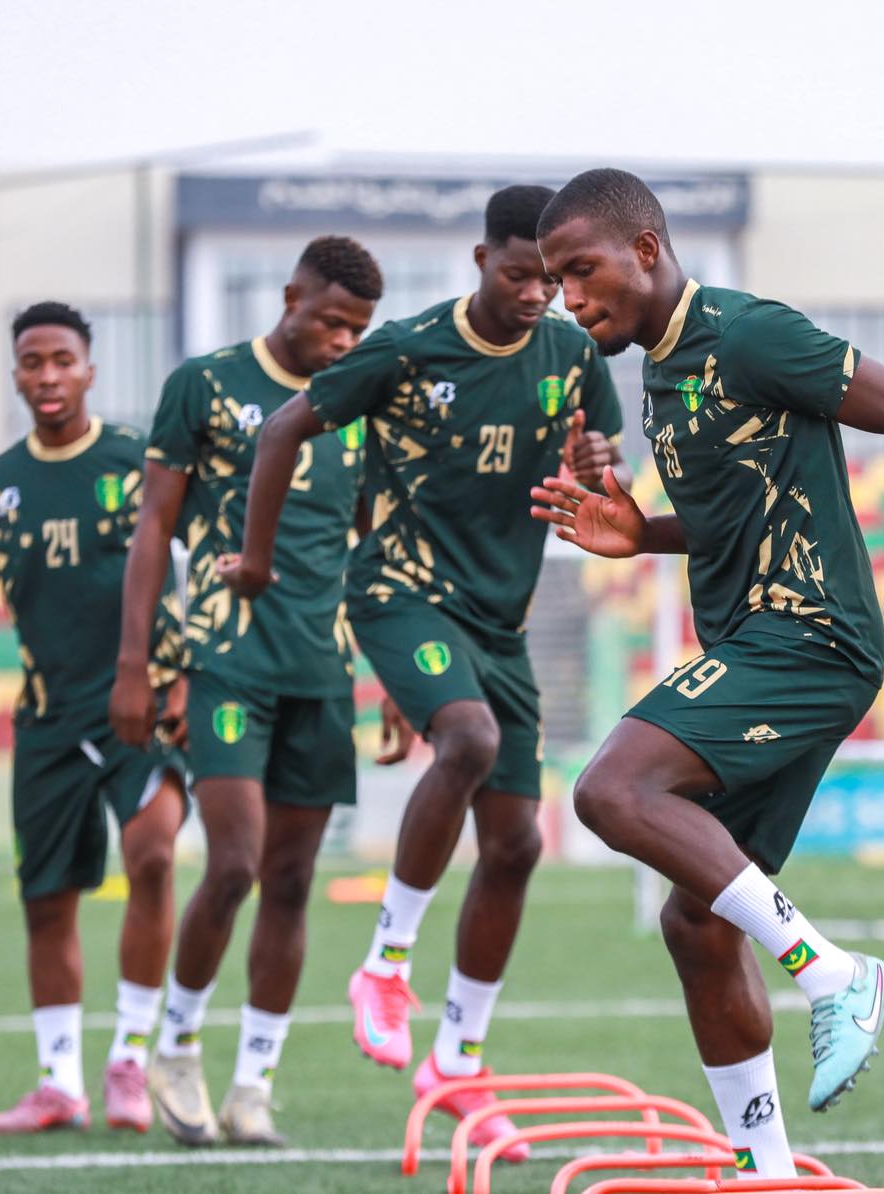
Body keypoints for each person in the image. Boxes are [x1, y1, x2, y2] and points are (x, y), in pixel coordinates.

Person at [531, 168, 884, 1177]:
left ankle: (836, 974)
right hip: (759, 646)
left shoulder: (746, 332)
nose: (571, 298)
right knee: (695, 920)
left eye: (583, 271)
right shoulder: (662, 371)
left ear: (646, 249)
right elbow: (728, 514)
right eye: (557, 281)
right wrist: (640, 532)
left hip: (808, 636)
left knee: (612, 789)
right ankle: (767, 1169)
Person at [219, 185, 629, 1159]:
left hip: (500, 620)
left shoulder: (573, 352)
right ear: (481, 264)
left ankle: (457, 1059)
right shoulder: (406, 349)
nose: (540, 295)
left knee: (519, 844)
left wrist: (603, 460)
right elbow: (283, 431)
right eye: (523, 275)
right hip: (401, 591)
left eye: (555, 278)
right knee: (471, 740)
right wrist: (261, 558)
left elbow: (605, 474)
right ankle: (387, 964)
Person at [109, 236, 389, 1148]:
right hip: (226, 659)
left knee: (294, 880)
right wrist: (135, 665)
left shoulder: (359, 407)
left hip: (322, 665)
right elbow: (155, 526)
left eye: (359, 329)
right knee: (232, 862)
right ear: (289, 298)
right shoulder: (205, 383)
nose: (343, 342)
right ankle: (178, 1047)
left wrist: (383, 670)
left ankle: (254, 1083)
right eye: (330, 321)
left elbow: (371, 544)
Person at [0, 301, 189, 1135]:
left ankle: (131, 1062)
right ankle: (58, 1083)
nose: (46, 376)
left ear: (89, 370)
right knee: (48, 901)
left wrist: (185, 676)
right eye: (31, 362)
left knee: (151, 854)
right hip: (44, 716)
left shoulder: (135, 459)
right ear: (17, 375)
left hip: (138, 704)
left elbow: (192, 555)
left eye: (61, 360)